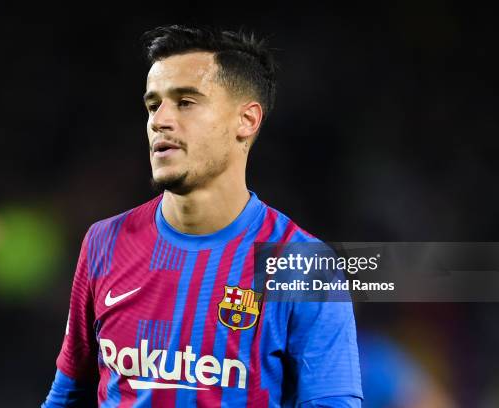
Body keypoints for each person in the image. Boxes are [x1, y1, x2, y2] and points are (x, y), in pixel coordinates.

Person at [42, 25, 363, 407]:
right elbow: (67, 396)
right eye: (153, 104)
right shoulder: (104, 242)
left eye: (185, 102)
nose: (160, 120)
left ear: (247, 120)